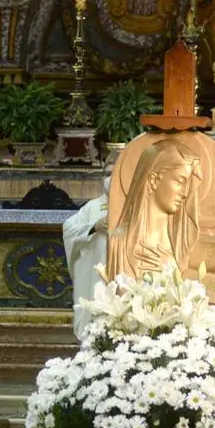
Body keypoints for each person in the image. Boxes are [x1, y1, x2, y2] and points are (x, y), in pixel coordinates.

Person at [105, 138, 202, 281]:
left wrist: (172, 269)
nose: (185, 193)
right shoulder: (117, 243)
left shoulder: (183, 247)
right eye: (180, 182)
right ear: (153, 180)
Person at [63, 164, 111, 340]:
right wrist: (93, 227)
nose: (111, 178)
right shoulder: (92, 207)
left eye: (116, 173)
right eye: (107, 173)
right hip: (95, 276)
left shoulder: (136, 205)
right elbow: (68, 228)